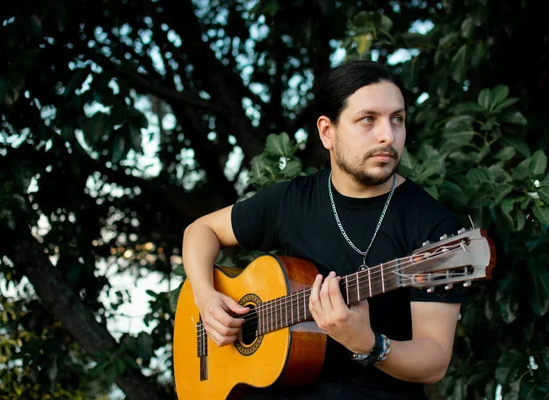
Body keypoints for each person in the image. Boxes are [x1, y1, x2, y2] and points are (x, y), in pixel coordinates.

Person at [181, 60, 468, 399]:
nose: (387, 135)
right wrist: (206, 296)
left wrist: (370, 344)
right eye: (368, 120)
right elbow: (200, 231)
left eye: (397, 119)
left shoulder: (434, 228)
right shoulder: (292, 200)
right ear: (327, 131)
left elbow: (434, 360)